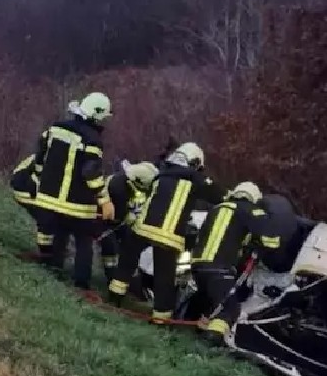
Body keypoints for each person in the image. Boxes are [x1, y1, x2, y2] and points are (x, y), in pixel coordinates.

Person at [107, 142, 227, 323]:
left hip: (143, 228)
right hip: (169, 236)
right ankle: (161, 319)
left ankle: (114, 297)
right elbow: (220, 196)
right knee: (165, 278)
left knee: (126, 262)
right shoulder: (196, 179)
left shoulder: (160, 174)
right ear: (194, 163)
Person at [32, 92, 114, 289]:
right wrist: (104, 200)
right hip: (77, 204)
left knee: (59, 233)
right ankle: (81, 282)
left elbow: (40, 157)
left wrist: (39, 180)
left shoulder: (55, 128)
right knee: (84, 242)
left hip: (50, 199)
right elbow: (91, 173)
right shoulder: (92, 139)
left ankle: (55, 268)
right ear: (97, 114)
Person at [190, 182, 281, 341]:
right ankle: (212, 340)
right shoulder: (251, 210)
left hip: (197, 265)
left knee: (210, 301)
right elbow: (271, 242)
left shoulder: (217, 208)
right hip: (220, 268)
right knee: (231, 308)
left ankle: (193, 328)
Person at [96, 161, 160, 282]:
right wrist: (128, 216)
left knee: (129, 245)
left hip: (117, 222)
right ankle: (112, 278)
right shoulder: (119, 186)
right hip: (105, 222)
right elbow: (117, 215)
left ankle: (128, 279)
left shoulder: (131, 182)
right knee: (111, 249)